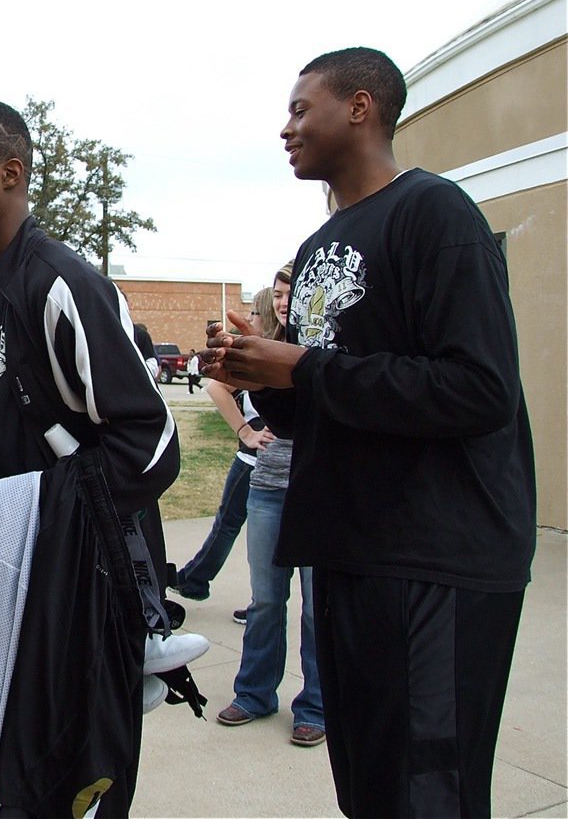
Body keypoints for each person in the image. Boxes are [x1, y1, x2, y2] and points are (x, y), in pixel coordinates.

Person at [202, 47, 536, 816]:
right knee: (371, 789)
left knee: (429, 791)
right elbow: (324, 396)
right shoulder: (320, 247)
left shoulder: (436, 214)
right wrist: (266, 379)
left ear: (360, 107)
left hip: (435, 559)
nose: (285, 128)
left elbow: (479, 389)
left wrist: (305, 369)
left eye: (299, 108)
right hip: (349, 554)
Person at [0, 100, 194, 816]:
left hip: (84, 595)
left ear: (11, 173)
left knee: (76, 787)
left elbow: (152, 447)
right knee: (21, 785)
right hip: (24, 587)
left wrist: (0, 506)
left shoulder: (59, 284)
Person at [212, 264, 325, 747]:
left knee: (317, 610)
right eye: (278, 293)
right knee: (265, 600)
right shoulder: (260, 347)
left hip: (317, 492)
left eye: (291, 293)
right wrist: (245, 431)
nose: (283, 301)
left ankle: (316, 706)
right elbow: (219, 384)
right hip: (267, 489)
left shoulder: (318, 349)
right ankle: (255, 693)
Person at [173, 286, 275, 622]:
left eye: (255, 314)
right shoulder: (252, 356)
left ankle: (196, 581)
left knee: (233, 528)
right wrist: (246, 431)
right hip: (253, 462)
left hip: (272, 470)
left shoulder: (282, 356)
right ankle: (194, 580)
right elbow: (215, 386)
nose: (250, 319)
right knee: (230, 525)